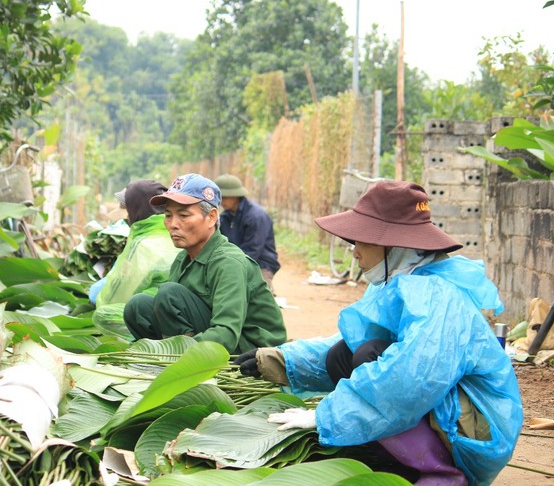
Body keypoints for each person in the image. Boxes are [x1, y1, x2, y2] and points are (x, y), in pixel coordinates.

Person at [234, 181, 522, 485]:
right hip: (445, 409)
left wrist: (326, 416)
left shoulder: (437, 295)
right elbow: (347, 344)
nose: (355, 253)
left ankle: (442, 473)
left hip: (472, 431)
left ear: (395, 245)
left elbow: (409, 379)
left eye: (362, 242)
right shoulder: (407, 278)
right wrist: (281, 360)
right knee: (344, 355)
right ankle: (397, 460)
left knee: (368, 355)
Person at [123, 173, 287, 354]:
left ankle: (177, 357)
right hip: (211, 335)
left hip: (250, 349)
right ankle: (167, 355)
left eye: (184, 215)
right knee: (137, 306)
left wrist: (177, 351)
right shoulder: (182, 260)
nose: (173, 224)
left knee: (169, 293)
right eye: (168, 215)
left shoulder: (228, 263)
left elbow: (226, 333)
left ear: (211, 217)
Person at [90, 180, 182, 339]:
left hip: (157, 312)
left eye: (127, 208)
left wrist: (97, 297)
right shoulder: (175, 232)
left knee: (102, 314)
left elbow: (115, 295)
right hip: (178, 310)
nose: (125, 214)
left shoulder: (143, 244)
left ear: (137, 209)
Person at [214, 174, 280, 290]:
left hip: (260, 263)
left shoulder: (256, 216)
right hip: (235, 261)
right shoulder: (224, 217)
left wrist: (230, 266)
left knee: (258, 295)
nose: (220, 201)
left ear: (235, 196)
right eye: (219, 197)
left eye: (224, 197)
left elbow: (253, 250)